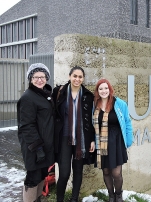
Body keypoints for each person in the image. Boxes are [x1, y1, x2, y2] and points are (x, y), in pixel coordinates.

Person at [52, 66, 96, 202]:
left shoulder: (88, 96)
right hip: (64, 138)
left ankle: (74, 199)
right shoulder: (59, 92)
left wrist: (92, 140)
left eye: (80, 77)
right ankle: (60, 199)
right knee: (64, 173)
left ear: (83, 79)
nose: (77, 79)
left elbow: (92, 118)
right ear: (69, 76)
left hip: (81, 139)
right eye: (75, 76)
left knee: (78, 171)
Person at [17, 63, 54, 202]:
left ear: (46, 78)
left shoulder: (44, 94)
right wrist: (38, 148)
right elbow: (26, 126)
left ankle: (37, 199)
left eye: (42, 77)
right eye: (36, 77)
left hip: (45, 145)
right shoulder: (28, 97)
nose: (39, 80)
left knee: (42, 175)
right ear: (30, 79)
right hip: (34, 147)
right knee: (32, 177)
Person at [93, 78, 134, 202]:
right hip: (101, 141)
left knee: (116, 173)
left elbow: (127, 121)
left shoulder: (120, 103)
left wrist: (128, 139)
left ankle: (119, 195)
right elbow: (92, 125)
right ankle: (111, 196)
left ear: (110, 89)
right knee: (106, 171)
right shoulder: (95, 104)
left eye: (106, 88)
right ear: (97, 91)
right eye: (101, 88)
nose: (104, 91)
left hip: (116, 141)